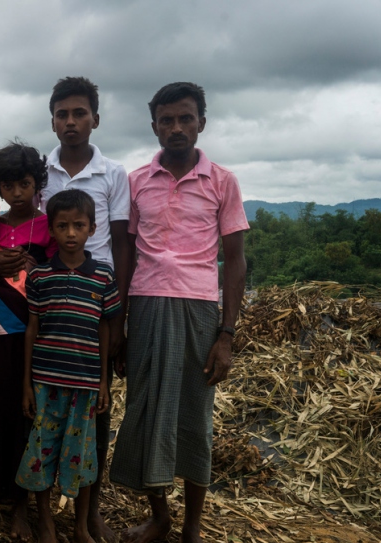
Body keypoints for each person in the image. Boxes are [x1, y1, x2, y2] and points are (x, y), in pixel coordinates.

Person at [109, 82, 248, 543]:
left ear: (201, 123)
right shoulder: (136, 181)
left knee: (193, 415)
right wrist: (122, 325)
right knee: (146, 410)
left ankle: (192, 526)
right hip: (147, 306)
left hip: (199, 310)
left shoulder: (222, 181)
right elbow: (126, 256)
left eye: (185, 118)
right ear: (153, 128)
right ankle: (160, 518)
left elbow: (235, 259)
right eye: (166, 120)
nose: (176, 128)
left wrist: (226, 334)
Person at [0, 76, 129, 542]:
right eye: (62, 114)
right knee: (35, 421)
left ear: (95, 117)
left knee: (90, 426)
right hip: (46, 308)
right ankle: (31, 510)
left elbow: (124, 244)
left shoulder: (114, 174)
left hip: (94, 306)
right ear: (52, 120)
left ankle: (87, 517)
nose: (71, 121)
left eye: (80, 113)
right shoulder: (39, 173)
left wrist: (119, 316)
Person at [15, 189, 121, 543]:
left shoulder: (103, 277)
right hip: (45, 383)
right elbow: (33, 328)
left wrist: (103, 381)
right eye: (62, 226)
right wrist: (27, 384)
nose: (71, 233)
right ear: (52, 231)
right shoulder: (40, 277)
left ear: (92, 228)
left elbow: (105, 328)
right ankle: (45, 523)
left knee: (82, 456)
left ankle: (79, 527)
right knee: (41, 452)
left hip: (86, 384)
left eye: (79, 225)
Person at [0, 142, 55, 539]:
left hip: (30, 333)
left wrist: (40, 267)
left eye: (24, 183)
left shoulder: (51, 227)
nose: (17, 193)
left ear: (37, 183)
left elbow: (58, 272)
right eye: (8, 185)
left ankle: (22, 499)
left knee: (25, 413)